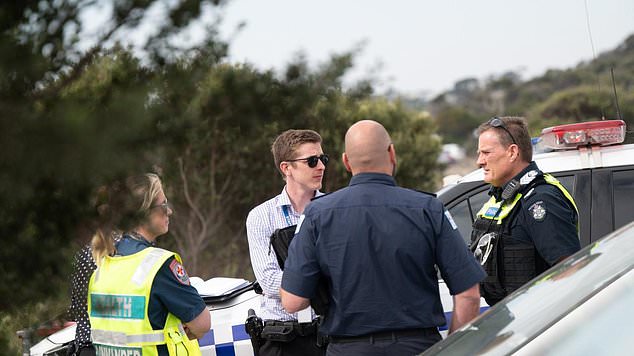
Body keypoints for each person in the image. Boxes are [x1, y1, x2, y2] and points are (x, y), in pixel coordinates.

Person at [280, 120, 485, 355]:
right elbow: (469, 294)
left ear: (346, 161)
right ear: (392, 153)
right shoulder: (428, 208)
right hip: (417, 347)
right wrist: (449, 350)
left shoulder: (317, 214)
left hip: (347, 349)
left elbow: (293, 302)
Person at [87, 173, 210, 355]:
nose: (169, 211)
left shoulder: (102, 267)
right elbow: (202, 324)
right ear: (144, 212)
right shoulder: (159, 265)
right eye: (163, 205)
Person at [471, 116, 580, 306]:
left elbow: (570, 270)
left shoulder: (540, 199)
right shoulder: (502, 198)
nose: (480, 161)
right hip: (510, 317)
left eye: (486, 152)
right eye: (479, 153)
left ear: (512, 152)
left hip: (540, 322)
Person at [246, 129, 328, 356]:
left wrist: (300, 279)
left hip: (329, 335)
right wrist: (323, 278)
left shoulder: (334, 210)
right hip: (282, 341)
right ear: (286, 168)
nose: (321, 166)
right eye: (312, 161)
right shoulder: (260, 216)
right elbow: (269, 282)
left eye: (323, 159)